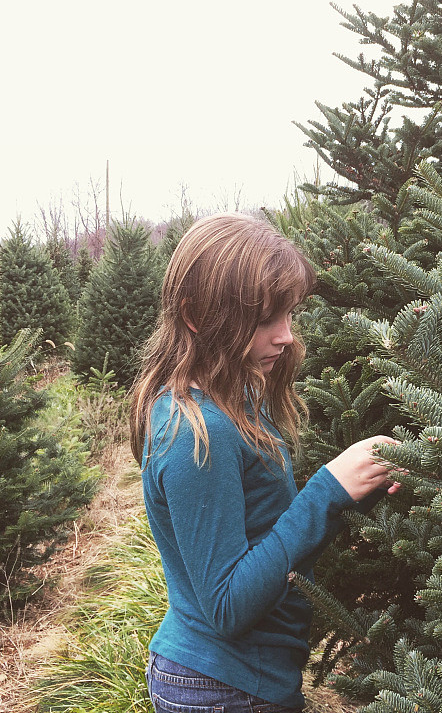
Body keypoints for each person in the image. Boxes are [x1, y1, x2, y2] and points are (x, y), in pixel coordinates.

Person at [129, 213, 401, 713]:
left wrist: (357, 490)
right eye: (264, 320)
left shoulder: (234, 398)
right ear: (196, 315)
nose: (286, 336)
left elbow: (265, 530)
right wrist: (327, 491)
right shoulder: (195, 432)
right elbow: (229, 606)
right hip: (223, 687)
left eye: (290, 314)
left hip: (244, 680)